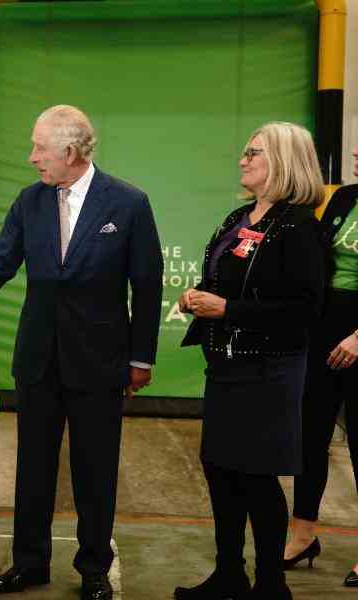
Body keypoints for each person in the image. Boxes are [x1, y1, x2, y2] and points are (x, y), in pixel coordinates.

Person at [0, 105, 163, 600]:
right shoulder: (30, 202)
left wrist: (141, 359)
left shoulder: (128, 204)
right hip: (39, 359)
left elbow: (147, 287)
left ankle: (92, 569)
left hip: (101, 361)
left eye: (39, 148)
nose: (31, 158)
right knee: (34, 467)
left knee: (95, 469)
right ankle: (29, 563)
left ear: (70, 152)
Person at [175, 122, 325, 600]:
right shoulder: (239, 217)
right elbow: (227, 281)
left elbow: (304, 310)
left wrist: (228, 309)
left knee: (257, 476)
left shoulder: (300, 227)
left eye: (253, 152)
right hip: (226, 366)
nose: (242, 159)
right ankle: (229, 574)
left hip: (270, 370)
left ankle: (270, 584)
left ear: (281, 161)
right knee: (220, 469)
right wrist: (199, 298)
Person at [284, 145, 358, 587]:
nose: (354, 151)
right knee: (309, 436)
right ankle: (302, 534)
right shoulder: (345, 197)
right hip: (326, 330)